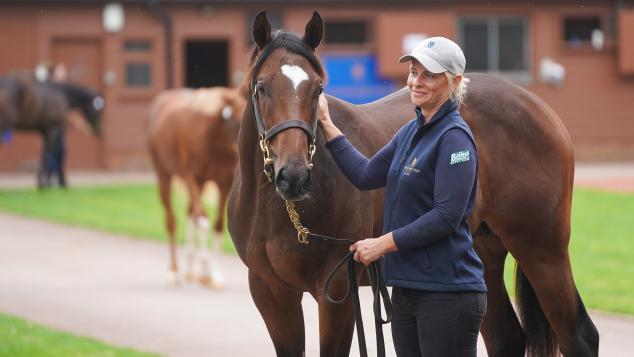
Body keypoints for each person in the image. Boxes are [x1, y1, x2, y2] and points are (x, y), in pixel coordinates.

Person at [317, 37, 486, 357]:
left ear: (455, 81)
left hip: (448, 293)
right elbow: (365, 175)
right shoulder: (410, 132)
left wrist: (382, 243)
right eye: (413, 72)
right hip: (407, 289)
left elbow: (446, 216)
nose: (416, 82)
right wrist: (327, 124)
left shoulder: (455, 139)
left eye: (429, 75)